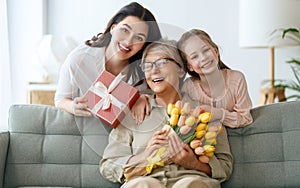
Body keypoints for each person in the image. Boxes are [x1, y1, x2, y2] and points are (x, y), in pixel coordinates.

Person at [100, 39, 233, 188]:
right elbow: (109, 164)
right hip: (143, 181)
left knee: (191, 184)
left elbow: (225, 166)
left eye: (162, 62)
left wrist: (194, 163)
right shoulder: (131, 114)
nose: (154, 70)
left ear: (181, 70)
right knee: (143, 185)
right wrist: (145, 157)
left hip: (192, 180)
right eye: (147, 66)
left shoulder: (206, 114)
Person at [54, 2, 161, 116]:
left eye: (139, 38)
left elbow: (156, 95)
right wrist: (72, 107)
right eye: (125, 30)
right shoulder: (80, 58)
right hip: (84, 126)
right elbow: (60, 100)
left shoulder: (142, 70)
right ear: (113, 28)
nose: (128, 42)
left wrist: (144, 98)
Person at [177, 29, 253, 128]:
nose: (203, 58)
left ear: (216, 51)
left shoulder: (236, 79)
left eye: (206, 50)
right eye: (195, 56)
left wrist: (217, 114)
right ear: (190, 67)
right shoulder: (188, 87)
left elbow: (246, 119)